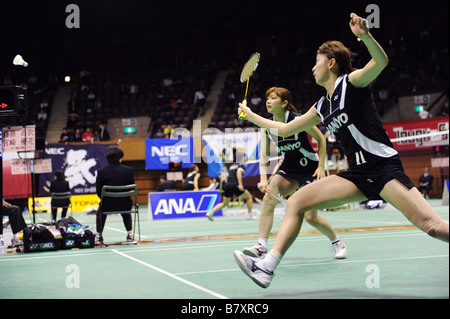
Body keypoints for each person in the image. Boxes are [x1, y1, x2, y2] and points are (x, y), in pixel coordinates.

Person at [234, 13, 449, 288]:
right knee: (297, 202)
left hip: (383, 169)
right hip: (356, 174)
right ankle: (267, 267)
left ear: (331, 63)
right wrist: (250, 115)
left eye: (317, 62)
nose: (312, 68)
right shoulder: (322, 105)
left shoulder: (353, 82)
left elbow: (381, 62)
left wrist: (365, 36)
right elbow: (286, 129)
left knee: (432, 227)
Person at [241, 87, 346, 259]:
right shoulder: (267, 127)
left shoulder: (299, 120)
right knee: (269, 198)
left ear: (284, 103)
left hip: (309, 168)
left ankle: (336, 241)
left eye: (273, 98)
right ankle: (261, 245)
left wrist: (321, 166)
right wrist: (262, 179)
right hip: (289, 167)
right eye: (267, 98)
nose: (268, 101)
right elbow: (264, 156)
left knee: (311, 217)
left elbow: (320, 139)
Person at [95, 145, 135, 244]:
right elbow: (131, 188)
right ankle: (130, 234)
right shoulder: (129, 170)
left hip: (107, 204)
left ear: (107, 157)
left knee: (100, 212)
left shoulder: (101, 172)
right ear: (121, 156)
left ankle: (99, 236)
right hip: (125, 204)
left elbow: (98, 191)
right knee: (126, 211)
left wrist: (107, 199)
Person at [206, 148, 255, 221]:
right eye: (245, 157)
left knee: (224, 203)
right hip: (235, 185)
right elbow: (238, 173)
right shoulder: (241, 165)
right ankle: (250, 215)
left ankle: (210, 212)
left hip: (227, 185)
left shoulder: (232, 165)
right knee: (249, 197)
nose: (246, 158)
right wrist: (240, 185)